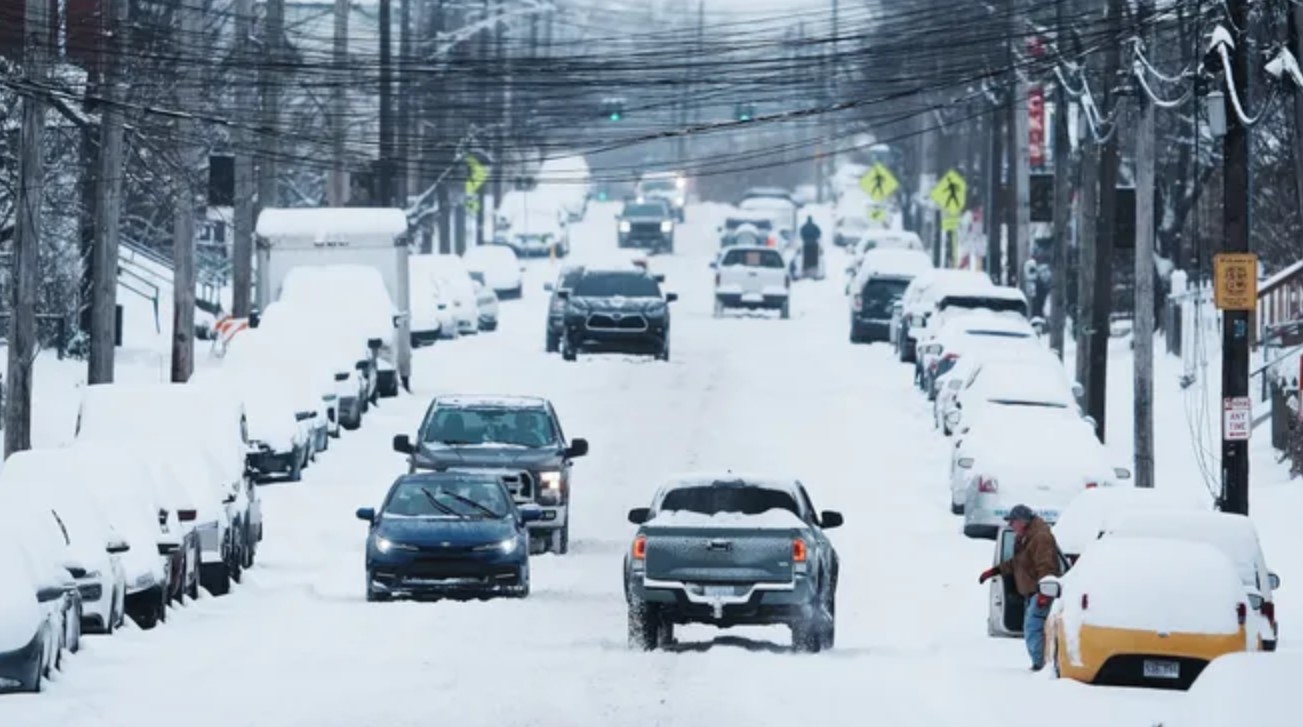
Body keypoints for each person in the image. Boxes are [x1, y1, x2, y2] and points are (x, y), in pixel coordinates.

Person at [978, 504, 1063, 671]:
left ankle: (1040, 666)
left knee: (1033, 627)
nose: (1011, 526)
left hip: (1041, 592)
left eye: (1012, 522)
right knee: (1032, 627)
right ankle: (1040, 662)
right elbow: (1018, 563)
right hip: (1032, 593)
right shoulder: (1025, 538)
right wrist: (995, 571)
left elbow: (1047, 567)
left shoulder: (1041, 538)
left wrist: (1044, 592)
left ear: (1022, 521)